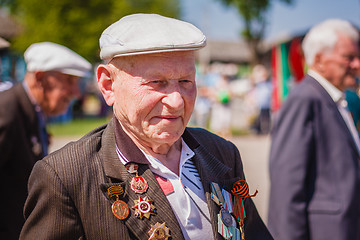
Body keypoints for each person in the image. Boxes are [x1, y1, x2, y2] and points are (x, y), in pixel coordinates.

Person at [20, 14, 272, 240]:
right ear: (108, 85)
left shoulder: (221, 153)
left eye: (186, 80)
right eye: (157, 82)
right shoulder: (65, 176)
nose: (176, 101)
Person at [268, 19, 360, 240]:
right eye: (348, 57)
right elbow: (287, 186)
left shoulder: (335, 98)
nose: (357, 64)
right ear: (318, 59)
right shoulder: (305, 99)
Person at [0, 42, 91, 239]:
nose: (76, 92)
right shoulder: (6, 111)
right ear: (40, 78)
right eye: (68, 80)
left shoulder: (30, 110)